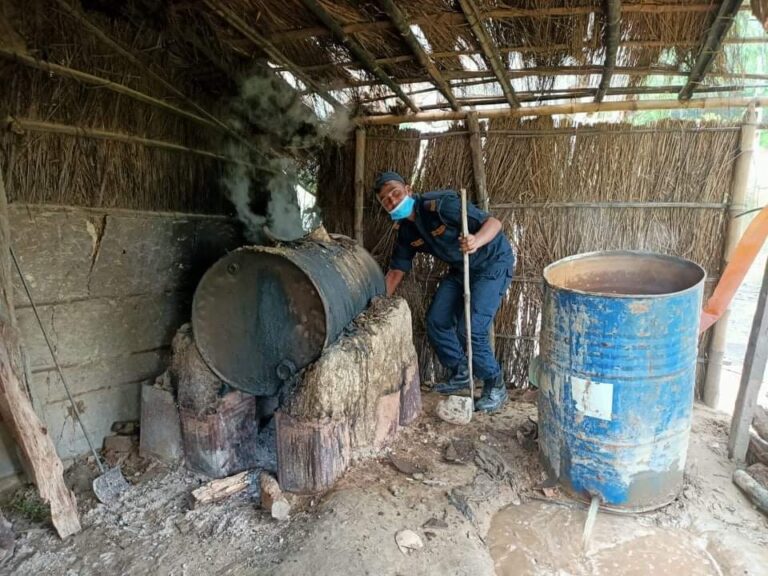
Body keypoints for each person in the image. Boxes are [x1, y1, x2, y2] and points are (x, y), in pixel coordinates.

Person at [374, 171, 515, 413]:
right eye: (386, 200)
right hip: (461, 269)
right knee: (437, 321)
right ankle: (462, 372)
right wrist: (375, 306)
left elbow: (494, 223)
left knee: (472, 329)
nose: (393, 201)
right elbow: (396, 272)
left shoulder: (440, 205)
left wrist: (476, 241)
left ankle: (495, 383)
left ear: (408, 189)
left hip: (491, 263)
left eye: (395, 193)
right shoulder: (406, 233)